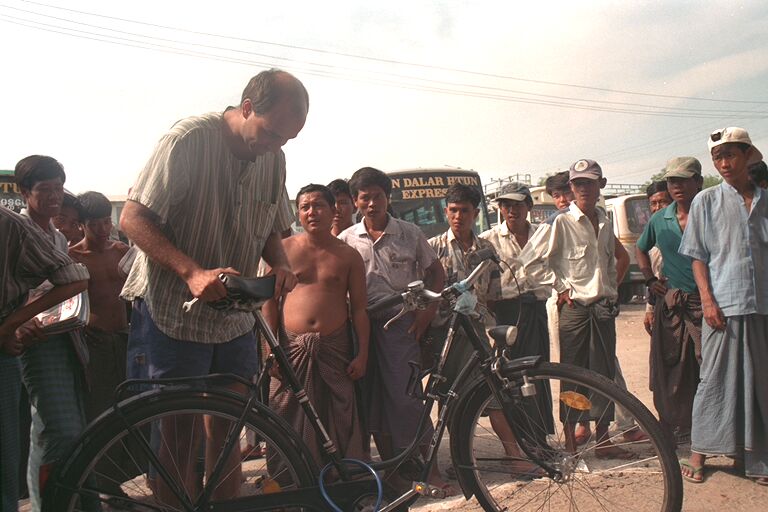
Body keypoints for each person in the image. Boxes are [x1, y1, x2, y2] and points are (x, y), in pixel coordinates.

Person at [119, 68, 308, 504]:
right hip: (174, 313)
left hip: (234, 316)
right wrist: (192, 272)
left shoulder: (274, 158)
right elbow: (133, 219)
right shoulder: (187, 141)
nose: (276, 145)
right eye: (272, 132)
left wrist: (279, 264)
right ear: (246, 109)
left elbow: (272, 227)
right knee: (178, 436)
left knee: (228, 433)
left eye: (287, 139)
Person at [338, 167, 449, 492]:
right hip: (360, 329)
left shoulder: (410, 232)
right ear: (356, 201)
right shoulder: (346, 239)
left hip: (401, 326)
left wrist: (427, 314)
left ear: (388, 197)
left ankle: (430, 470)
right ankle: (395, 474)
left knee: (407, 400)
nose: (371, 203)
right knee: (373, 403)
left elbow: (436, 274)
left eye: (377, 196)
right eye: (364, 197)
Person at [522, 159, 633, 458]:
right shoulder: (559, 222)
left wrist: (611, 291)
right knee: (573, 375)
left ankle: (604, 441)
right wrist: (559, 287)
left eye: (589, 182)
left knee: (604, 374)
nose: (583, 188)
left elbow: (611, 263)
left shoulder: (605, 221)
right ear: (571, 187)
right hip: (575, 311)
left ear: (601, 185)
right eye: (578, 183)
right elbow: (529, 262)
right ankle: (571, 444)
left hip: (602, 308)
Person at [678, 127, 768, 485]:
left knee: (760, 384)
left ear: (747, 156)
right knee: (713, 380)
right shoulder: (706, 201)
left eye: (731, 154)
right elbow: (698, 257)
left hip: (761, 305)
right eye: (718, 157)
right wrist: (707, 301)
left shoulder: (764, 200)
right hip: (722, 306)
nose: (724, 162)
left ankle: (757, 461)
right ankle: (699, 454)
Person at [262, 184, 368, 466]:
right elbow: (269, 302)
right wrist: (269, 349)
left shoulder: (349, 256)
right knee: (284, 410)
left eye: (319, 205)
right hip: (290, 347)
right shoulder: (281, 251)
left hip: (335, 349)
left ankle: (342, 481)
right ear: (297, 214)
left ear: (334, 210)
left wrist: (362, 354)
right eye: (305, 207)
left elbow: (359, 310)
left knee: (341, 414)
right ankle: (290, 484)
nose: (312, 212)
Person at [13, 155, 92, 511]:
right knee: (60, 431)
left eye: (58, 189)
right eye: (45, 190)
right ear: (24, 192)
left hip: (65, 336)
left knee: (43, 430)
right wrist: (18, 318)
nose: (54, 197)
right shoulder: (15, 230)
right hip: (34, 341)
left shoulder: (58, 238)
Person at [637, 159, 702, 444]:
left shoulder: (710, 212)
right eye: (671, 181)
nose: (676, 186)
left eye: (683, 180)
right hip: (673, 304)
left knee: (708, 367)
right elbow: (640, 250)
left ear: (698, 182)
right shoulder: (659, 218)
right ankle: (671, 428)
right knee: (670, 368)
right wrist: (650, 280)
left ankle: (710, 432)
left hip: (708, 303)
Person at [641, 181, 672, 334]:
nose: (658, 208)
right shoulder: (652, 237)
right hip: (661, 301)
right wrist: (650, 309)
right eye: (653, 203)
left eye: (663, 202)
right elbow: (653, 276)